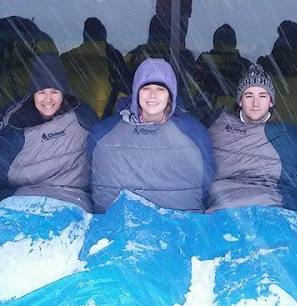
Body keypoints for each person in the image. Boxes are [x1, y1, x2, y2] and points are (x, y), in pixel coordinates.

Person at [0, 55, 97, 214]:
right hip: (22, 198)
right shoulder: (14, 119)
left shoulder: (82, 117)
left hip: (72, 197)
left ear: (63, 93)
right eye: (41, 92)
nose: (47, 100)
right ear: (33, 94)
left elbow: (98, 156)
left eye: (54, 92)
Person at [88, 58, 214, 213]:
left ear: (170, 95)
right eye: (146, 88)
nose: (152, 95)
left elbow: (205, 184)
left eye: (160, 89)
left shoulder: (194, 133)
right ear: (136, 92)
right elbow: (93, 181)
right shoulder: (104, 132)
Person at [205, 65, 297, 214]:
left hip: (271, 208)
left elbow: (293, 186)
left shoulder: (286, 135)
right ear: (240, 101)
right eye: (249, 96)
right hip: (222, 207)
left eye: (262, 96)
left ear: (271, 102)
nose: (255, 103)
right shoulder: (217, 126)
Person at [60, 17, 132, 118]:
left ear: (84, 35)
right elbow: (127, 90)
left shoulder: (66, 59)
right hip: (104, 122)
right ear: (104, 34)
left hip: (72, 121)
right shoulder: (113, 58)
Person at [194, 23, 252, 107]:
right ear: (234, 44)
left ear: (214, 43)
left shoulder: (204, 61)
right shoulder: (245, 65)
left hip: (206, 112)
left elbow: (192, 89)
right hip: (238, 112)